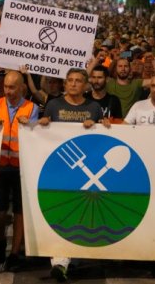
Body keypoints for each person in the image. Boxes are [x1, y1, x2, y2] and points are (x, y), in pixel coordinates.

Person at [38, 68, 108, 282]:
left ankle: (66, 259)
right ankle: (60, 261)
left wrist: (100, 125)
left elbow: (103, 137)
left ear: (86, 85)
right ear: (65, 83)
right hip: (58, 170)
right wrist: (43, 124)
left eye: (78, 81)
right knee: (60, 214)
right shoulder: (53, 105)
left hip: (85, 172)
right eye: (70, 81)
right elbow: (42, 132)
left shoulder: (94, 107)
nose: (74, 84)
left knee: (80, 215)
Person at [0, 71, 39, 272]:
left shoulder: (32, 107)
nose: (8, 91)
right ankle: (0, 241)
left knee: (19, 211)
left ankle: (15, 252)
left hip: (21, 167)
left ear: (22, 88)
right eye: (6, 87)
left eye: (12, 87)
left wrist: (33, 124)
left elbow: (34, 134)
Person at [88, 55, 155, 116]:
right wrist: (96, 60)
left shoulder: (136, 83)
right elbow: (83, 78)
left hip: (129, 125)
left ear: (130, 68)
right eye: (120, 66)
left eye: (126, 66)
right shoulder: (108, 82)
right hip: (112, 123)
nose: (123, 69)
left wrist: (153, 61)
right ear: (116, 68)